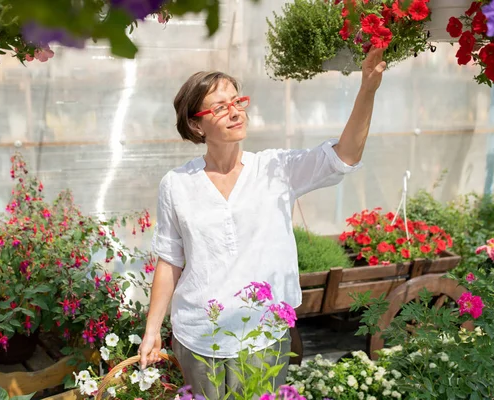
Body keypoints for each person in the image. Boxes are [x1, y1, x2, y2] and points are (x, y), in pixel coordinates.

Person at [138, 47, 387, 398]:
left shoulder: (276, 169)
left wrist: (367, 89)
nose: (235, 112)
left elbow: (345, 155)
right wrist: (152, 329)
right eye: (220, 107)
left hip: (262, 337)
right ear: (196, 124)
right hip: (197, 336)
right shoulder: (177, 184)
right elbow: (169, 259)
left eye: (237, 102)